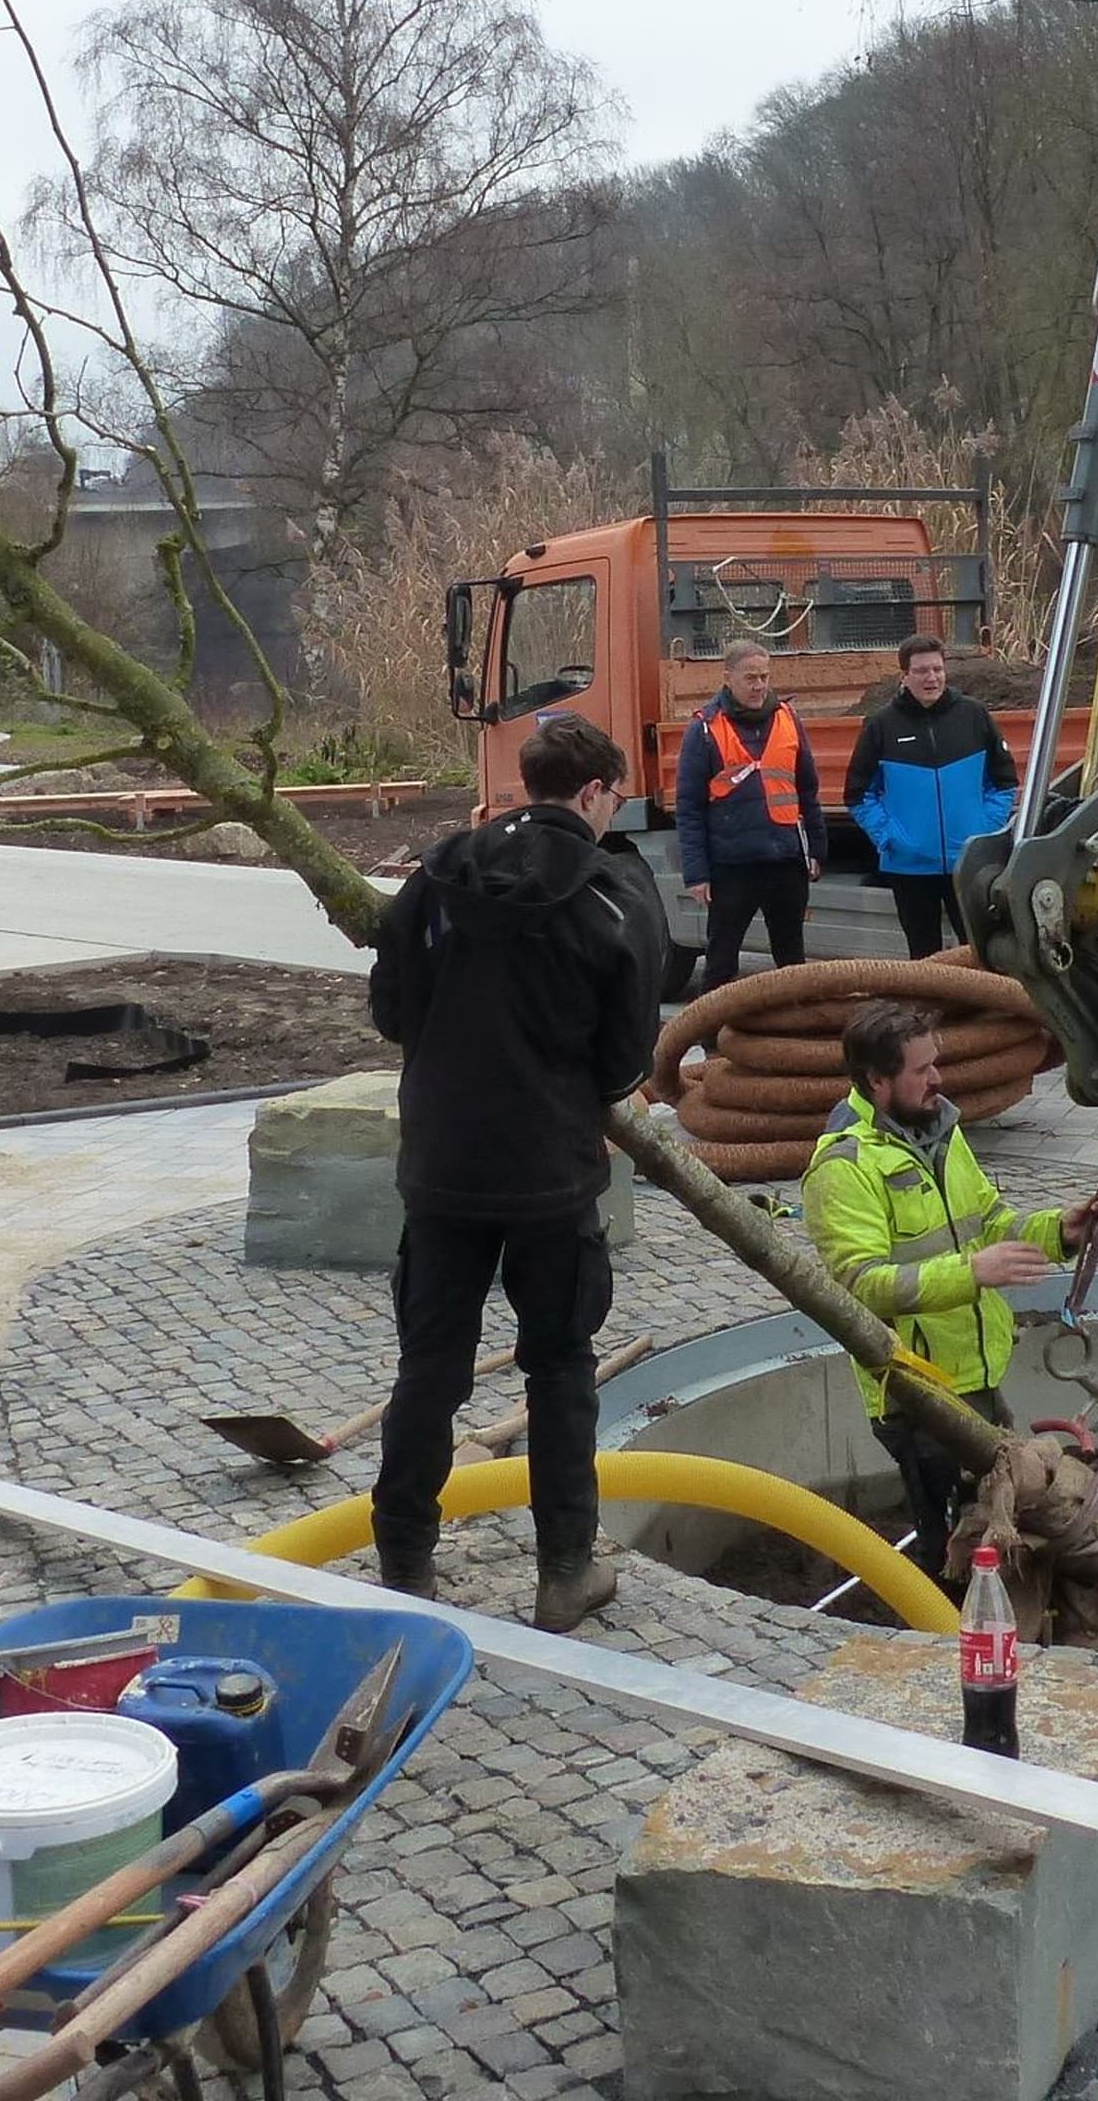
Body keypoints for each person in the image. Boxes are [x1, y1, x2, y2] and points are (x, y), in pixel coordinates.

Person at [365, 712, 666, 1632]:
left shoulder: (437, 876)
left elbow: (389, 1012)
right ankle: (564, 1572)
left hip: (443, 1166)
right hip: (550, 1172)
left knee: (430, 1367)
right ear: (591, 793)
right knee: (560, 1369)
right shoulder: (614, 896)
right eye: (614, 797)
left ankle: (405, 1557)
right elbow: (625, 1059)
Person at [804, 1000, 1093, 1577]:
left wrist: (1059, 1231)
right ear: (877, 1081)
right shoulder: (844, 1167)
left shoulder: (940, 1132)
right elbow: (862, 1285)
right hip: (917, 1395)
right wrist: (970, 1273)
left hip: (977, 1379)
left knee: (997, 1515)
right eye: (920, 1070)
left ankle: (988, 1618)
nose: (937, 1078)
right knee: (952, 1545)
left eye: (935, 1063)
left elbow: (990, 1222)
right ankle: (944, 1636)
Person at [843, 632, 1018, 959]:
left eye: (937, 669)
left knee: (978, 955)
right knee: (923, 958)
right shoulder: (881, 725)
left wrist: (982, 829)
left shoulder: (974, 715)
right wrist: (890, 836)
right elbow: (857, 794)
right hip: (908, 868)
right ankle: (928, 1012)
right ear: (904, 676)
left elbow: (1005, 782)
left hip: (969, 866)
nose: (931, 677)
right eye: (921, 671)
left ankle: (975, 1011)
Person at [676, 638, 823, 991]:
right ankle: (713, 1040)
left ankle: (792, 1034)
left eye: (764, 677)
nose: (759, 686)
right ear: (728, 678)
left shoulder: (788, 720)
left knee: (791, 961)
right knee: (721, 961)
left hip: (785, 861)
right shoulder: (706, 729)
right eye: (751, 678)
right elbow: (689, 807)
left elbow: (808, 792)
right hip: (732, 867)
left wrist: (816, 851)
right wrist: (697, 873)